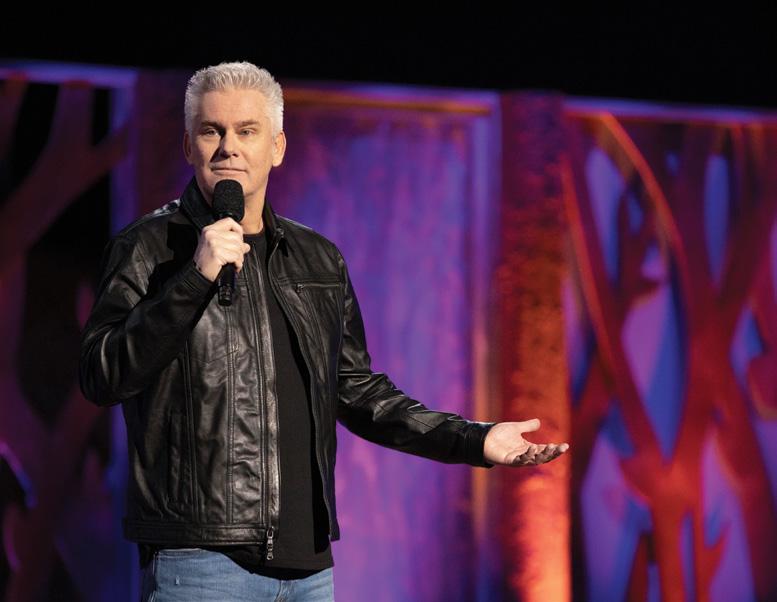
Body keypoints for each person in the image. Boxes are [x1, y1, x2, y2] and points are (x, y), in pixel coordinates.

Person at [78, 61, 569, 602]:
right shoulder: (148, 248)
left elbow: (359, 392)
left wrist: (474, 439)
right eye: (212, 131)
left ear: (277, 147)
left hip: (308, 570)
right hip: (202, 562)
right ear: (188, 146)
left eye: (247, 131)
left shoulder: (317, 259)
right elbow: (103, 374)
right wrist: (193, 280)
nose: (229, 148)